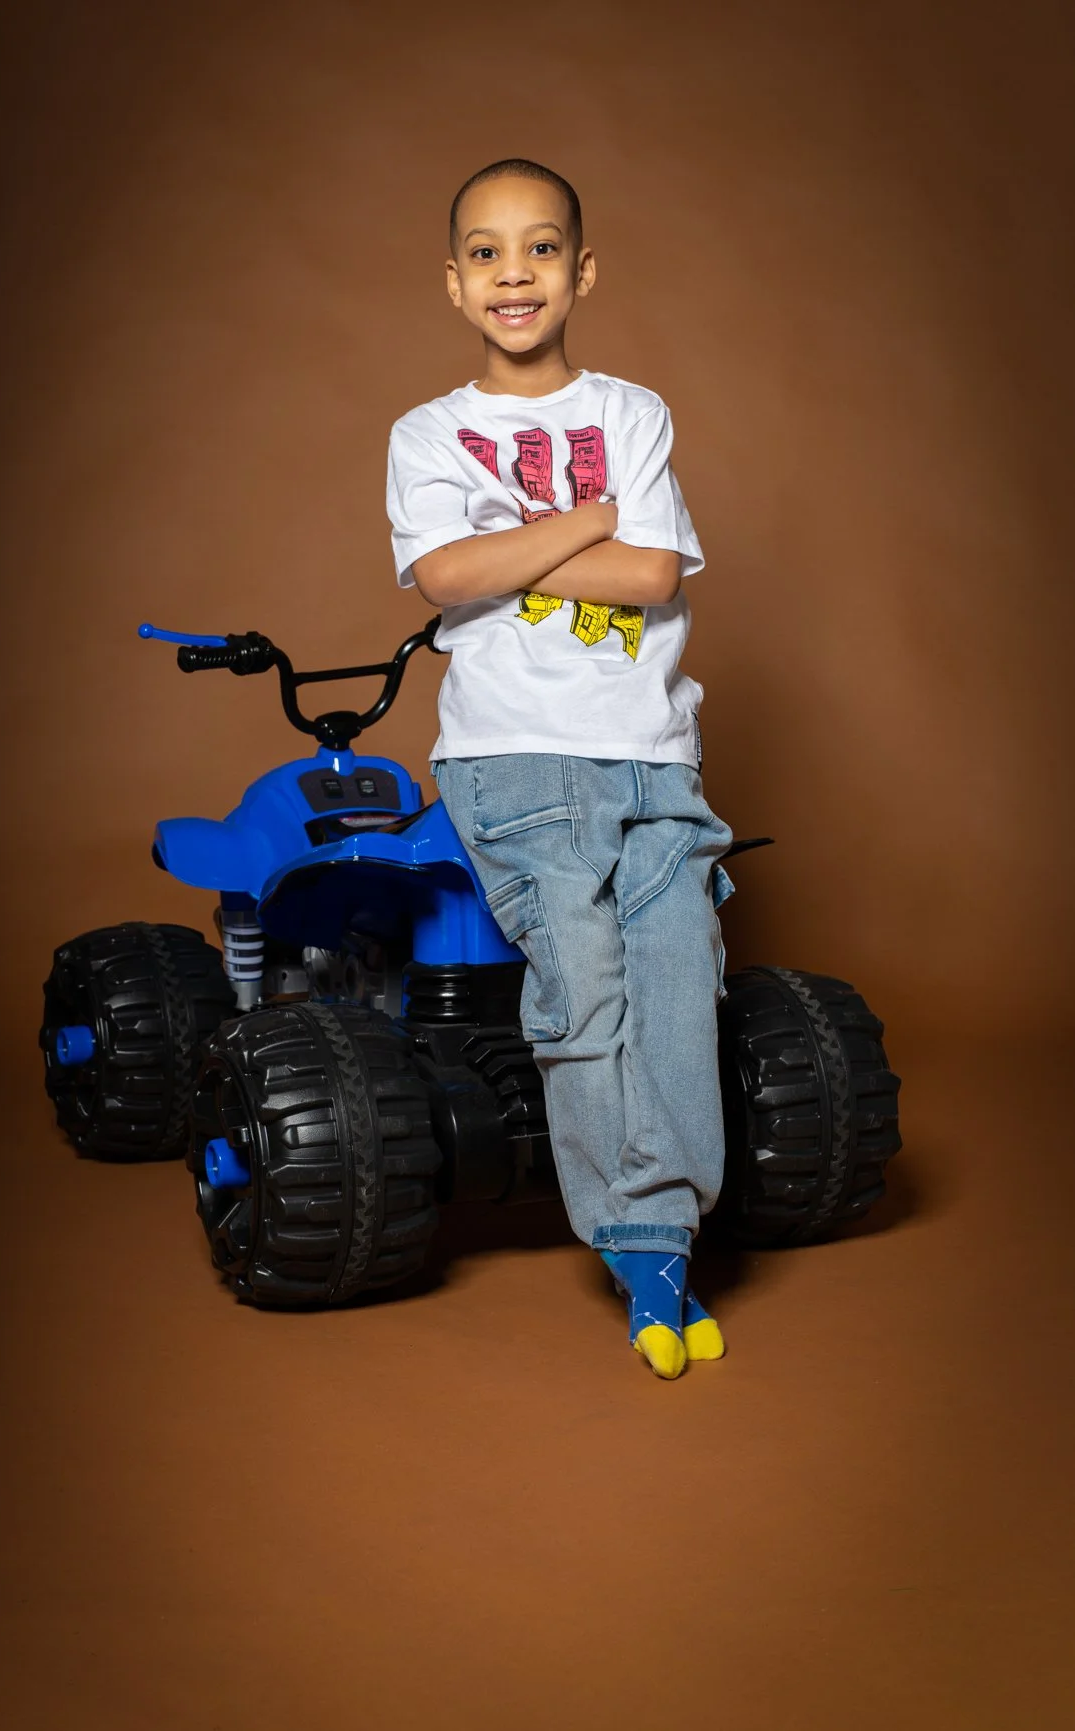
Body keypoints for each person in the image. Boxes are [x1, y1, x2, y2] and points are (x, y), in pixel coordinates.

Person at [385, 158, 733, 1380]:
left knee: (676, 982)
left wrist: (517, 545)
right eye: (485, 253)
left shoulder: (631, 413)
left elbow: (653, 575)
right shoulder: (427, 433)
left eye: (539, 248)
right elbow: (443, 577)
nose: (513, 273)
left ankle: (667, 1225)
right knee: (582, 989)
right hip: (513, 756)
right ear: (453, 282)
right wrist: (590, 519)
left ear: (579, 271)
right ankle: (638, 1241)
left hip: (649, 753)